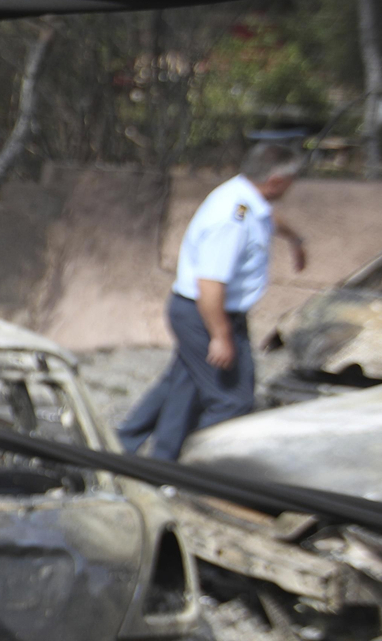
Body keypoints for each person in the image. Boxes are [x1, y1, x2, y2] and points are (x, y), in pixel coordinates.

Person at [117, 141, 308, 459]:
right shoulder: (231, 220)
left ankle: (136, 452)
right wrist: (220, 336)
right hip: (206, 313)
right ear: (276, 181)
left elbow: (269, 218)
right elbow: (209, 284)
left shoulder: (245, 198)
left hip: (204, 311)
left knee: (182, 385)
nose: (292, 187)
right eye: (291, 180)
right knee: (232, 400)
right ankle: (195, 466)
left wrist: (295, 239)